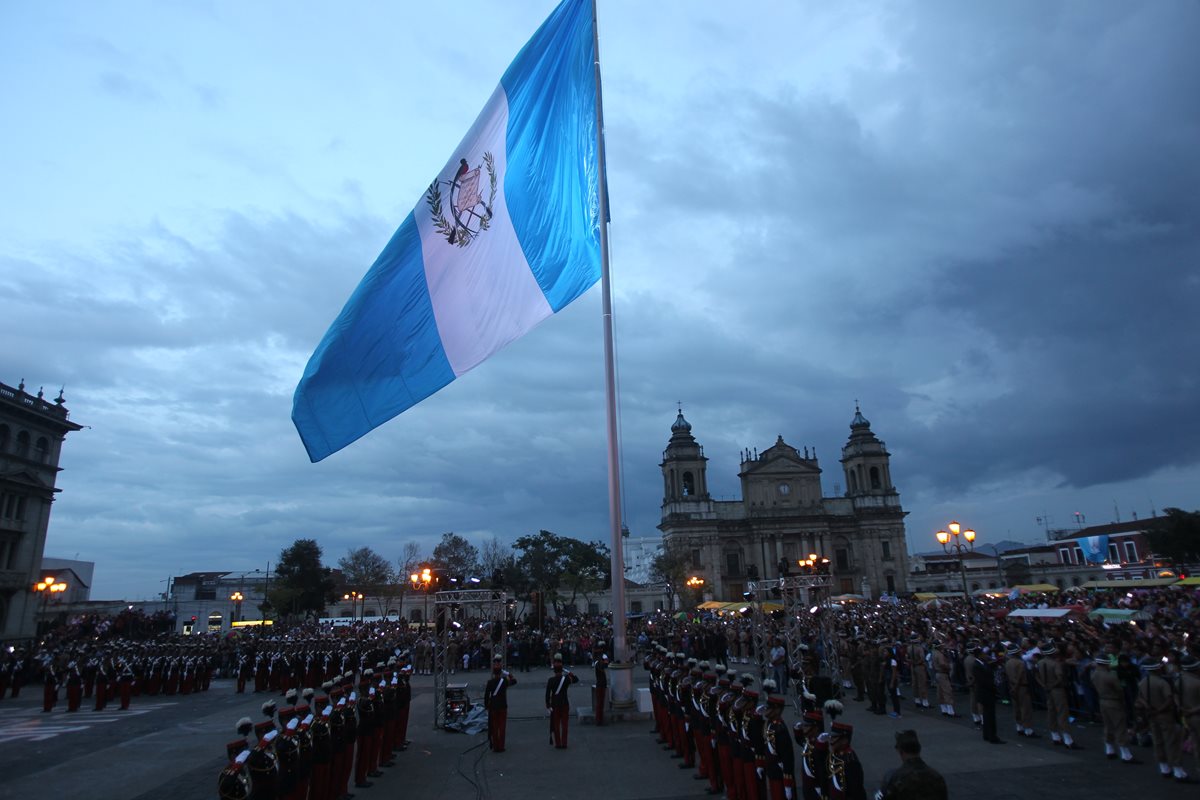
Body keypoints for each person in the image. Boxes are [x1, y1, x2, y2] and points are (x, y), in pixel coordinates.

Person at [874, 730, 947, 800]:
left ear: (900, 751)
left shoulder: (895, 777)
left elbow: (880, 797)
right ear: (919, 749)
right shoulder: (937, 777)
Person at [1091, 652, 1138, 763]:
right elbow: (1119, 690)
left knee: (1108, 725)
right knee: (1120, 726)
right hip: (1114, 701)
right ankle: (1126, 754)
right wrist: (1123, 702)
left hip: (1102, 701)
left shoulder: (1094, 674)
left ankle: (1109, 749)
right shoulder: (1110, 675)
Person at [970, 646, 1003, 744]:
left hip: (986, 692)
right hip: (986, 693)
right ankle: (992, 736)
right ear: (979, 655)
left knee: (987, 714)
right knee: (990, 715)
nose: (985, 655)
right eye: (983, 654)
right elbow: (983, 680)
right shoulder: (977, 665)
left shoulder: (981, 664)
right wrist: (993, 688)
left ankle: (987, 734)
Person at [545, 652, 579, 749]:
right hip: (565, 703)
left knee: (556, 724)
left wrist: (548, 705)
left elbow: (547, 695)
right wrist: (568, 672)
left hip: (555, 704)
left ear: (554, 670)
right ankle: (564, 743)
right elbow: (576, 679)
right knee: (564, 724)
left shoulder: (550, 680)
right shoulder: (567, 679)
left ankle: (558, 743)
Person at [484, 655, 515, 752]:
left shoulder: (490, 682)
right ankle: (501, 746)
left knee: (494, 726)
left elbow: (486, 696)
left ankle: (495, 745)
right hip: (502, 705)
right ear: (501, 672)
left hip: (493, 706)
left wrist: (486, 706)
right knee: (501, 727)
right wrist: (508, 673)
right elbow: (514, 681)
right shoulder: (505, 681)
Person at [826, 722, 865, 800]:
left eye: (834, 738)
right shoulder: (836, 754)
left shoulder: (851, 762)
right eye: (830, 737)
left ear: (844, 740)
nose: (830, 741)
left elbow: (856, 791)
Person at [593, 650, 609, 726]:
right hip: (600, 685)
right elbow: (602, 666)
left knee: (601, 703)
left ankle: (600, 719)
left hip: (602, 684)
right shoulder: (597, 664)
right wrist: (605, 662)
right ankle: (598, 720)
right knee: (599, 703)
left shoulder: (598, 663)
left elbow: (604, 665)